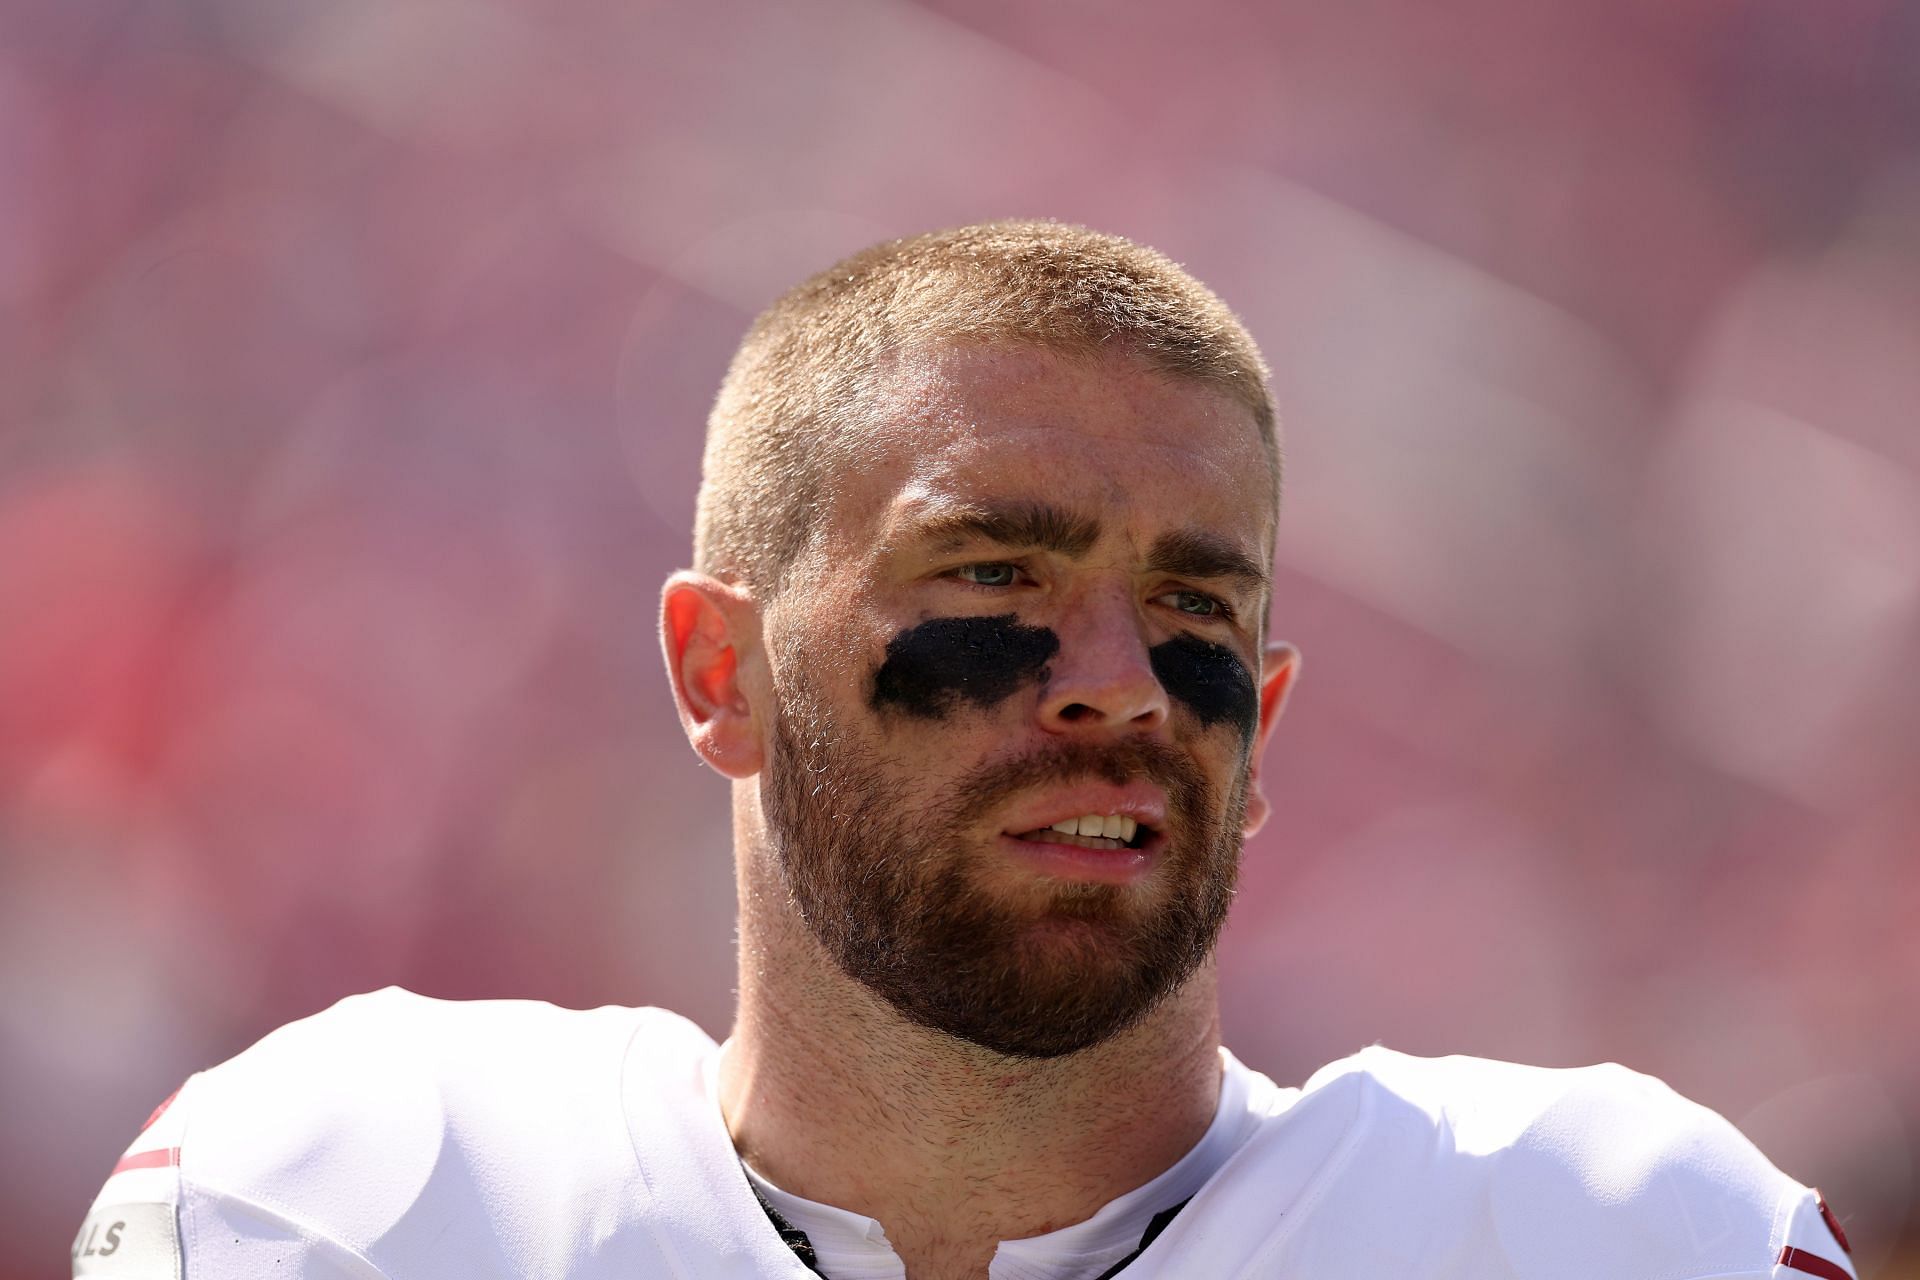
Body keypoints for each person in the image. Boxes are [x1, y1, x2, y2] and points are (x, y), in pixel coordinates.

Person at [73, 222, 1856, 1280]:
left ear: (1272, 717)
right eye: (996, 571)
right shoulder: (338, 1204)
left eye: (1196, 606)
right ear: (721, 672)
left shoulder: (1607, 1237)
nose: (1122, 686)